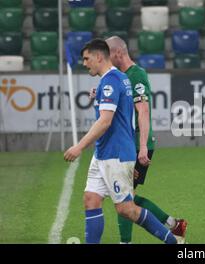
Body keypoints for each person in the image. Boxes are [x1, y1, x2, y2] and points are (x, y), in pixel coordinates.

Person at [64, 38, 180, 244]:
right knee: (91, 200)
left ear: (99, 57)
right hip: (102, 153)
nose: (84, 63)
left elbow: (105, 122)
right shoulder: (115, 79)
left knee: (126, 209)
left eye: (86, 58)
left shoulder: (113, 80)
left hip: (116, 154)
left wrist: (79, 147)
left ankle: (172, 241)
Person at [101, 36, 187, 244]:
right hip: (125, 145)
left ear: (118, 53)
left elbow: (144, 111)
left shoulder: (136, 75)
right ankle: (173, 224)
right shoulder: (119, 76)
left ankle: (128, 241)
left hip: (137, 144)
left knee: (123, 199)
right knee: (123, 198)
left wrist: (141, 149)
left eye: (107, 54)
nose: (103, 59)